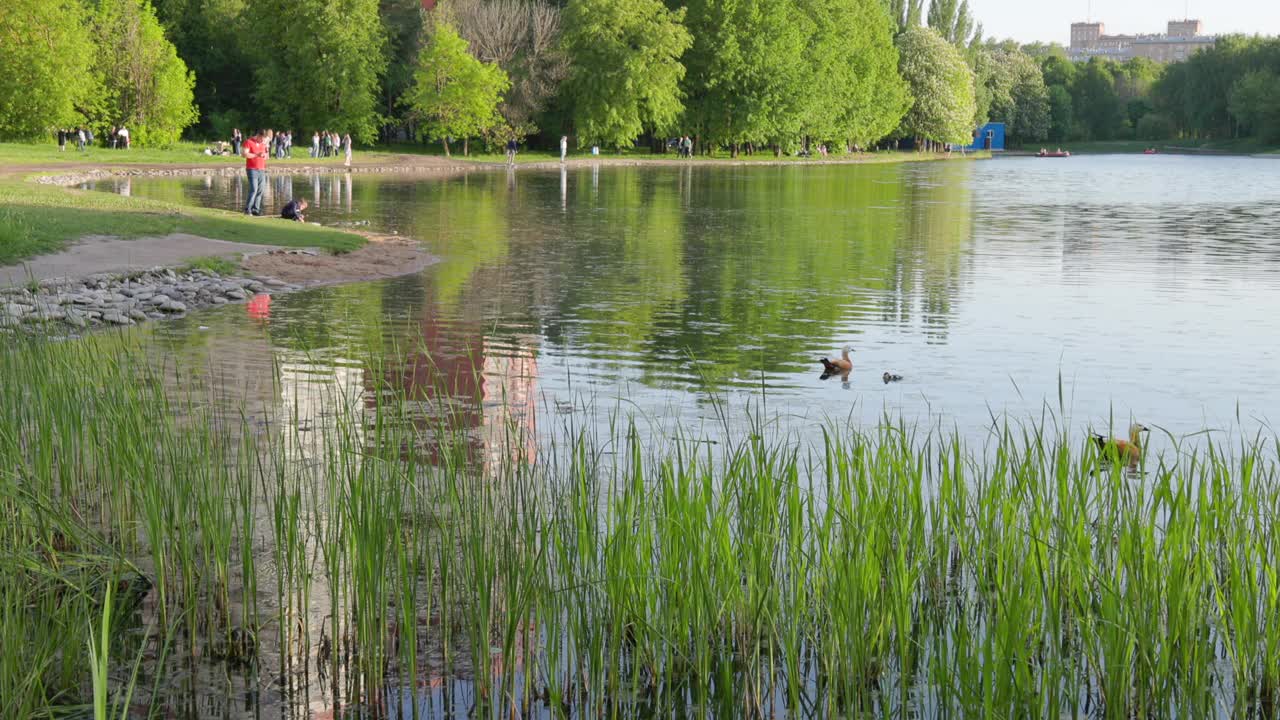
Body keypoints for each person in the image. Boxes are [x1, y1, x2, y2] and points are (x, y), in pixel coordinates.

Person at [242, 129, 270, 216]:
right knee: (254, 189)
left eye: (264, 139)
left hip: (261, 169)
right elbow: (244, 154)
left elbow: (266, 157)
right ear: (258, 135)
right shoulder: (249, 141)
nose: (262, 140)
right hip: (252, 169)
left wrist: (265, 154)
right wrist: (257, 155)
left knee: (260, 190)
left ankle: (256, 209)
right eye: (261, 138)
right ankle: (248, 209)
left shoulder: (263, 144)